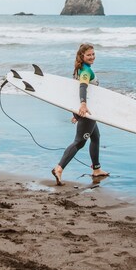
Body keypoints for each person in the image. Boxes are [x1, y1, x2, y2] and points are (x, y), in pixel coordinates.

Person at [51, 43, 109, 186]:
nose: (92, 57)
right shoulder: (85, 71)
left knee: (96, 137)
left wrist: (76, 113)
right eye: (88, 55)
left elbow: (73, 91)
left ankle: (96, 169)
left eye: (93, 54)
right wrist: (83, 105)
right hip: (87, 111)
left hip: (85, 110)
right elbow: (82, 87)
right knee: (79, 142)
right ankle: (59, 168)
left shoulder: (79, 69)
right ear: (82, 56)